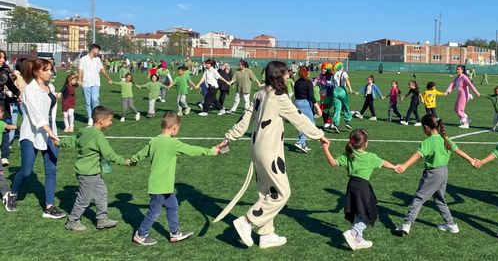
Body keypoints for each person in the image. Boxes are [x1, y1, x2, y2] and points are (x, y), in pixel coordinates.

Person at [215, 61, 329, 249]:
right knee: (283, 193)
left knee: (268, 192)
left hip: (256, 149)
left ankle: (266, 235)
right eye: (285, 74)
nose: (288, 76)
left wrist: (229, 137)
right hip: (269, 151)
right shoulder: (280, 98)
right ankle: (247, 221)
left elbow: (245, 120)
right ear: (278, 75)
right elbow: (299, 118)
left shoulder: (259, 94)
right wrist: (320, 135)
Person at [131, 112, 220, 245]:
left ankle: (175, 233)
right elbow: (191, 150)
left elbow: (140, 154)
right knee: (154, 213)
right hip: (159, 187)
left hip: (165, 186)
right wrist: (211, 151)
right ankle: (141, 234)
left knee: (172, 206)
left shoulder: (154, 141)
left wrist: (131, 161)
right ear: (175, 127)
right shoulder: (173, 143)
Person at [395, 114, 476, 235]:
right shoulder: (444, 138)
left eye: (423, 128)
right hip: (443, 172)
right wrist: (471, 160)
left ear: (427, 127)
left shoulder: (428, 141)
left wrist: (405, 165)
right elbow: (458, 150)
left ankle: (407, 224)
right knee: (439, 199)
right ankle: (451, 225)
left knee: (419, 198)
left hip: (432, 173)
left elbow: (418, 155)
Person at [5, 58, 64, 218]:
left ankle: (49, 207)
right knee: (26, 171)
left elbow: (50, 111)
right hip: (31, 134)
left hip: (50, 133)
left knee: (51, 170)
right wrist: (50, 132)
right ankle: (13, 193)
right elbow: (36, 116)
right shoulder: (29, 91)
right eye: (47, 70)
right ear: (37, 71)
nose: (50, 72)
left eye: (51, 69)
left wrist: (53, 132)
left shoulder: (50, 87)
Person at [321, 129, 397, 250]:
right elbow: (384, 163)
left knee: (358, 212)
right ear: (365, 143)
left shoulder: (349, 154)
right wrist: (395, 167)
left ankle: (358, 239)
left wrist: (325, 149)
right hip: (363, 188)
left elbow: (333, 163)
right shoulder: (370, 157)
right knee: (369, 214)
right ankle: (353, 233)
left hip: (351, 186)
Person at [58, 106, 131, 231]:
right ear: (102, 121)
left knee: (101, 193)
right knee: (84, 199)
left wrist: (60, 142)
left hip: (93, 172)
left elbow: (73, 140)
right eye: (110, 120)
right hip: (88, 173)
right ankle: (72, 221)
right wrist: (124, 162)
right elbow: (109, 154)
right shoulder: (98, 136)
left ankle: (102, 219)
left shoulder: (86, 132)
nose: (111, 122)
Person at [78, 44, 113, 127]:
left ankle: (96, 117)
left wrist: (109, 78)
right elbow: (80, 69)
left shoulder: (98, 59)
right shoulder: (83, 59)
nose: (98, 52)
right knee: (88, 102)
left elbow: (102, 69)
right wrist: (79, 79)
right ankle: (90, 118)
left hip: (96, 83)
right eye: (97, 50)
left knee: (95, 100)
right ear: (92, 49)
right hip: (86, 83)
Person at [293, 66, 322, 153]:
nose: (309, 73)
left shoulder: (297, 82)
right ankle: (301, 142)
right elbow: (311, 96)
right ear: (306, 73)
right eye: (308, 71)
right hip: (304, 103)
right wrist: (318, 108)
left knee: (302, 123)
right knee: (310, 123)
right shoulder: (308, 82)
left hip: (297, 102)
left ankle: (303, 144)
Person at [0, 50, 21, 166]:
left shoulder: (5, 70)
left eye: (4, 58)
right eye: (0, 58)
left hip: (3, 102)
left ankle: (4, 155)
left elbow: (10, 84)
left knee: (6, 128)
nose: (3, 60)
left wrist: (18, 94)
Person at [329, 61, 354, 133]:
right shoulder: (344, 73)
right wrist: (350, 89)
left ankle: (335, 124)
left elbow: (332, 84)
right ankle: (348, 121)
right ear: (341, 67)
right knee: (345, 106)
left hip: (335, 91)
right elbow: (347, 80)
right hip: (342, 90)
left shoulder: (334, 74)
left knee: (337, 108)